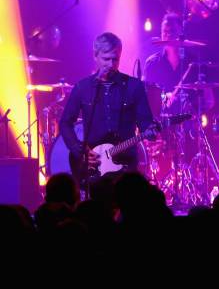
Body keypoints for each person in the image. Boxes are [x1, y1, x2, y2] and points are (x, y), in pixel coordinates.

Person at [59, 32, 156, 185]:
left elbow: (146, 123)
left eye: (115, 59)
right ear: (95, 56)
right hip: (94, 165)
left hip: (126, 163)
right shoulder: (82, 88)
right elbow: (65, 123)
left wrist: (152, 132)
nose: (111, 64)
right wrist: (80, 150)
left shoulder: (134, 86)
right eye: (106, 59)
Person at [143, 13, 214, 113]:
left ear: (181, 33)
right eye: (165, 31)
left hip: (188, 122)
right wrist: (163, 97)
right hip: (161, 124)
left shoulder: (194, 64)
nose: (168, 35)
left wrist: (195, 109)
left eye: (172, 31)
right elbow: (144, 97)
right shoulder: (152, 63)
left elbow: (209, 101)